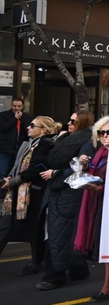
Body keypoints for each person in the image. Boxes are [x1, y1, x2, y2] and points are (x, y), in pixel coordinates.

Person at [36, 110, 95, 290]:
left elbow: (81, 168)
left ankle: (55, 275)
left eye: (73, 121)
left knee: (59, 234)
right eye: (69, 120)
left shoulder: (86, 142)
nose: (69, 123)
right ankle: (76, 269)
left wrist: (56, 174)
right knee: (55, 233)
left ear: (82, 123)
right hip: (56, 191)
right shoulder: (66, 138)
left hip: (68, 192)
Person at [74, 116, 109, 301]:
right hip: (99, 200)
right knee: (105, 242)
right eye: (102, 132)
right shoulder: (100, 151)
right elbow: (96, 172)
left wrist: (100, 187)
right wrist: (84, 165)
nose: (105, 136)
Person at [0, 116, 56, 273]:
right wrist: (12, 177)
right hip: (22, 192)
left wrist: (14, 181)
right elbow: (21, 166)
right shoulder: (32, 144)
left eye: (33, 125)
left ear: (43, 130)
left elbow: (36, 168)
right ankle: (37, 261)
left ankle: (37, 262)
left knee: (30, 228)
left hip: (32, 192)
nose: (28, 128)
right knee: (20, 226)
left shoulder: (45, 145)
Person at [0, 98, 32, 177]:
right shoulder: (3, 115)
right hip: (5, 149)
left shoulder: (26, 117)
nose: (16, 108)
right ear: (11, 105)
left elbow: (28, 131)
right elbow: (3, 127)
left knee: (16, 173)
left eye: (19, 106)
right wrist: (15, 119)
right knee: (3, 172)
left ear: (23, 106)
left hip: (20, 149)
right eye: (14, 106)